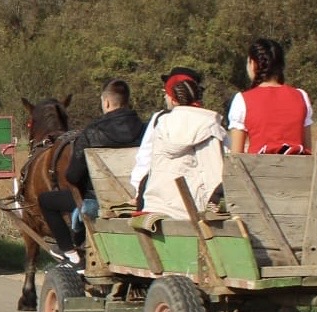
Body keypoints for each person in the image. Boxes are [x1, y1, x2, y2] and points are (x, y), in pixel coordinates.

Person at [38, 80, 146, 265]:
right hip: (141, 199)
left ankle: (70, 252)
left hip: (100, 201)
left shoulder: (91, 133)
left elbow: (72, 176)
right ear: (127, 101)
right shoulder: (146, 129)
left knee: (46, 201)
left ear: (106, 102)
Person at [139, 72, 227, 218]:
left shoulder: (161, 124)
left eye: (166, 94)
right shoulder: (209, 125)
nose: (165, 97)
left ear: (173, 99)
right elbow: (215, 176)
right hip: (191, 211)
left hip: (155, 207)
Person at [227, 38, 313, 154]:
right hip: (297, 170)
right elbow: (307, 148)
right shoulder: (301, 96)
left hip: (258, 170)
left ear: (253, 64)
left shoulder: (242, 100)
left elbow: (236, 156)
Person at [130, 66, 205, 195]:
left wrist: (139, 192)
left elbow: (145, 158)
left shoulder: (160, 120)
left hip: (160, 191)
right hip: (198, 190)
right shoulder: (209, 120)